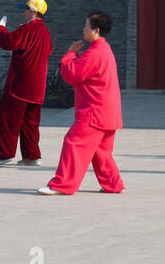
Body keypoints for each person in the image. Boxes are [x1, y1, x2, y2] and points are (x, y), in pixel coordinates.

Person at [38, 11, 124, 195]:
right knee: (101, 152)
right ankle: (114, 184)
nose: (83, 29)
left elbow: (71, 74)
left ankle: (62, 185)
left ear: (96, 30)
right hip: (108, 112)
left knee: (73, 143)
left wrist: (70, 54)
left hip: (94, 111)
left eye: (86, 26)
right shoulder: (104, 49)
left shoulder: (94, 53)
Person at [0, 0, 52, 167]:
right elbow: (48, 51)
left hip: (20, 84)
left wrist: (0, 29)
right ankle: (32, 156)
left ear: (33, 12)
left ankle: (3, 155)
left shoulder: (28, 29)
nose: (24, 12)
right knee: (30, 123)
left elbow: (9, 42)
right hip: (37, 86)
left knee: (7, 118)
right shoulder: (45, 31)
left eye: (26, 9)